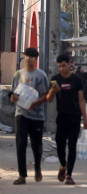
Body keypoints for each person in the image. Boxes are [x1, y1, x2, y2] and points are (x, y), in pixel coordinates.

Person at [47, 53, 87, 185]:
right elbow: (49, 100)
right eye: (59, 66)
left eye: (63, 65)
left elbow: (81, 100)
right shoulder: (55, 79)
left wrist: (85, 120)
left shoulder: (76, 80)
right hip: (62, 117)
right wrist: (52, 92)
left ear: (69, 64)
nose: (61, 68)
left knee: (72, 147)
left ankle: (69, 175)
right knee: (60, 145)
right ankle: (63, 166)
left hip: (74, 117)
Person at [10, 48, 49, 185]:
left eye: (31, 56)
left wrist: (34, 103)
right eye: (26, 56)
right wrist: (14, 98)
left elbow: (46, 95)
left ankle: (37, 168)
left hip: (37, 116)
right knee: (20, 144)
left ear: (36, 59)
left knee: (36, 144)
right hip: (21, 113)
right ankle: (22, 175)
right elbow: (12, 93)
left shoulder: (41, 75)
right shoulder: (18, 75)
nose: (28, 59)